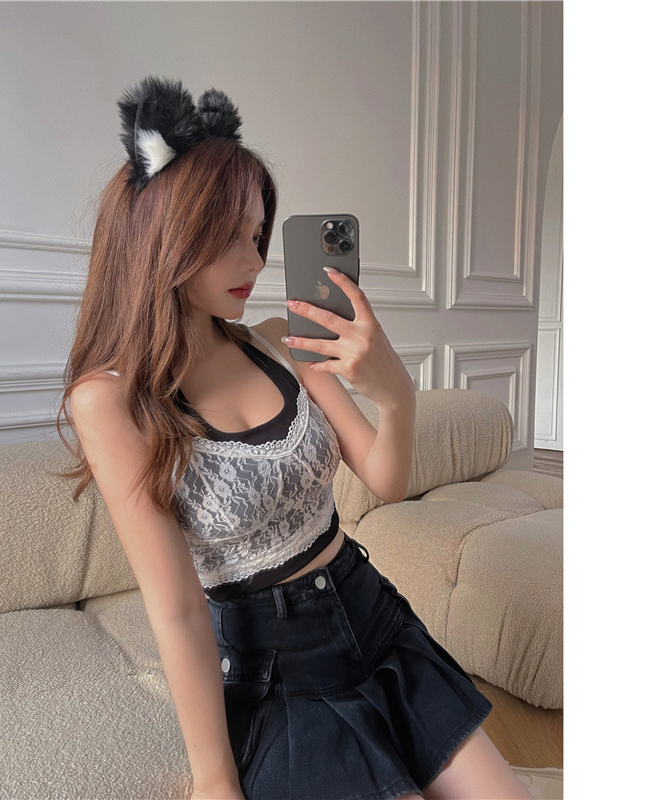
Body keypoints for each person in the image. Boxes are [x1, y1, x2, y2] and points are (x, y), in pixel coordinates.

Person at [59, 76, 532, 800]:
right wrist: (214, 779)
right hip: (278, 677)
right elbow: (177, 607)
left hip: (376, 619)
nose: (254, 262)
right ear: (163, 238)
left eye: (257, 235)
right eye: (228, 237)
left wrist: (396, 395)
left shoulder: (280, 341)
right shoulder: (110, 401)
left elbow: (386, 480)